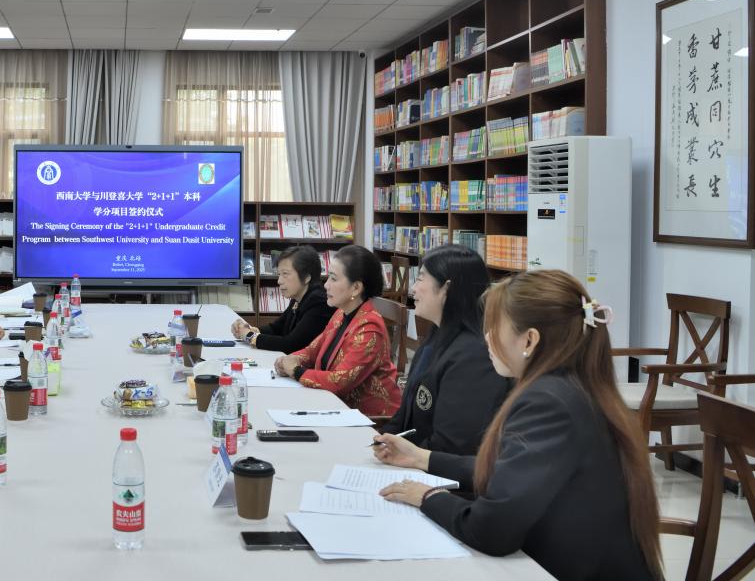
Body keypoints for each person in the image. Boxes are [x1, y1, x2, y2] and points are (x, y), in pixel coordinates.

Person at [376, 270, 663, 581]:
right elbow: (508, 469)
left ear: (529, 339)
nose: (486, 338)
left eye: (493, 328)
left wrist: (428, 497)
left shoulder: (548, 401)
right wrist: (421, 458)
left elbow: (491, 530)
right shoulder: (572, 385)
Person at [377, 244, 509, 454]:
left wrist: (403, 456)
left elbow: (452, 444)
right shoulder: (437, 335)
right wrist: (382, 441)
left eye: (420, 279)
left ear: (446, 288)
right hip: (412, 459)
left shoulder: (474, 355)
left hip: (434, 468)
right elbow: (405, 414)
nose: (413, 288)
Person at [273, 246, 401, 415]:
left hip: (370, 420)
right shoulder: (341, 313)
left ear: (356, 288)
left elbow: (339, 382)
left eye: (333, 279)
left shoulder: (370, 328)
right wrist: (290, 359)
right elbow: (312, 350)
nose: (326, 285)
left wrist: (296, 371)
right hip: (336, 407)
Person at [231, 245, 333, 352]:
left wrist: (249, 336)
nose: (279, 281)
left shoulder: (319, 302)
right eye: (279, 274)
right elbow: (276, 328)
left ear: (306, 277)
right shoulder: (298, 297)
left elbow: (290, 344)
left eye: (285, 274)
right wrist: (249, 330)